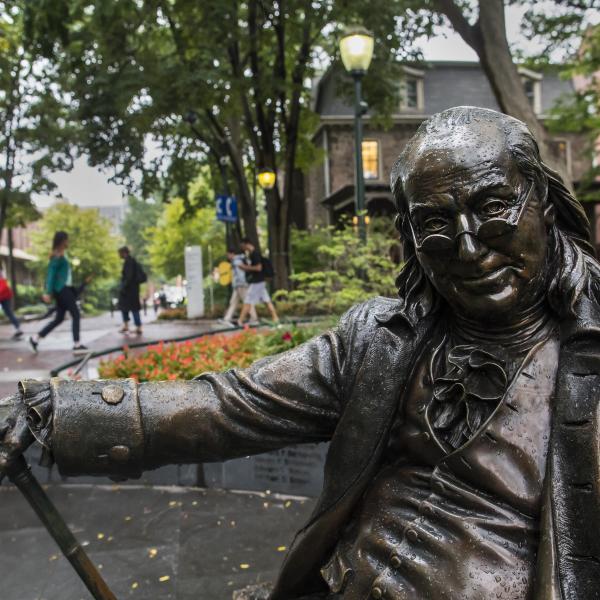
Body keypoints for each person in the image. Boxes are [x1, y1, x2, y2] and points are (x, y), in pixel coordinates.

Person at [3, 107, 600, 599]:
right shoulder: (380, 340)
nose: (470, 249)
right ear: (413, 243)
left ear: (544, 203)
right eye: (436, 225)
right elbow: (230, 405)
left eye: (494, 208)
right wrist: (52, 412)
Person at [29, 231, 87, 355]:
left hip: (65, 289)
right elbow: (51, 275)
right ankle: (77, 344)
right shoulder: (57, 255)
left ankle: (36, 338)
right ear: (62, 240)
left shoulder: (63, 254)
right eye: (66, 239)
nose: (68, 242)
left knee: (59, 319)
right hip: (62, 290)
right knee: (75, 314)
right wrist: (47, 292)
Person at [237, 238, 279, 325]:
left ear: (246, 244)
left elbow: (258, 268)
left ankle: (240, 321)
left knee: (248, 300)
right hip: (260, 281)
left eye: (243, 246)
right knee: (267, 300)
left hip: (257, 281)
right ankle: (276, 319)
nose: (243, 248)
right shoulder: (253, 254)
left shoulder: (255, 254)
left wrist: (244, 267)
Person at [221, 248, 258, 325]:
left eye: (228, 254)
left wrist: (241, 283)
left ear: (232, 254)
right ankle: (227, 319)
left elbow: (240, 274)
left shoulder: (237, 261)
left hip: (241, 285)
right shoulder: (237, 260)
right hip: (238, 285)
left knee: (247, 301)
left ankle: (254, 319)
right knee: (233, 302)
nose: (227, 256)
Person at [117, 246, 144, 335]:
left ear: (124, 253)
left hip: (129, 290)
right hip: (133, 290)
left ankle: (135, 326)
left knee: (129, 308)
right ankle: (132, 326)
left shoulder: (129, 262)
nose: (119, 255)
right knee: (132, 308)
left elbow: (129, 277)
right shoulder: (132, 261)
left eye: (120, 253)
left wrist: (123, 287)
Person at [0, 270, 23, 339]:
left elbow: (3, 287)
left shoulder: (2, 281)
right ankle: (18, 328)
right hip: (5, 296)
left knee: (9, 313)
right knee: (9, 313)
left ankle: (18, 329)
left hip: (5, 297)